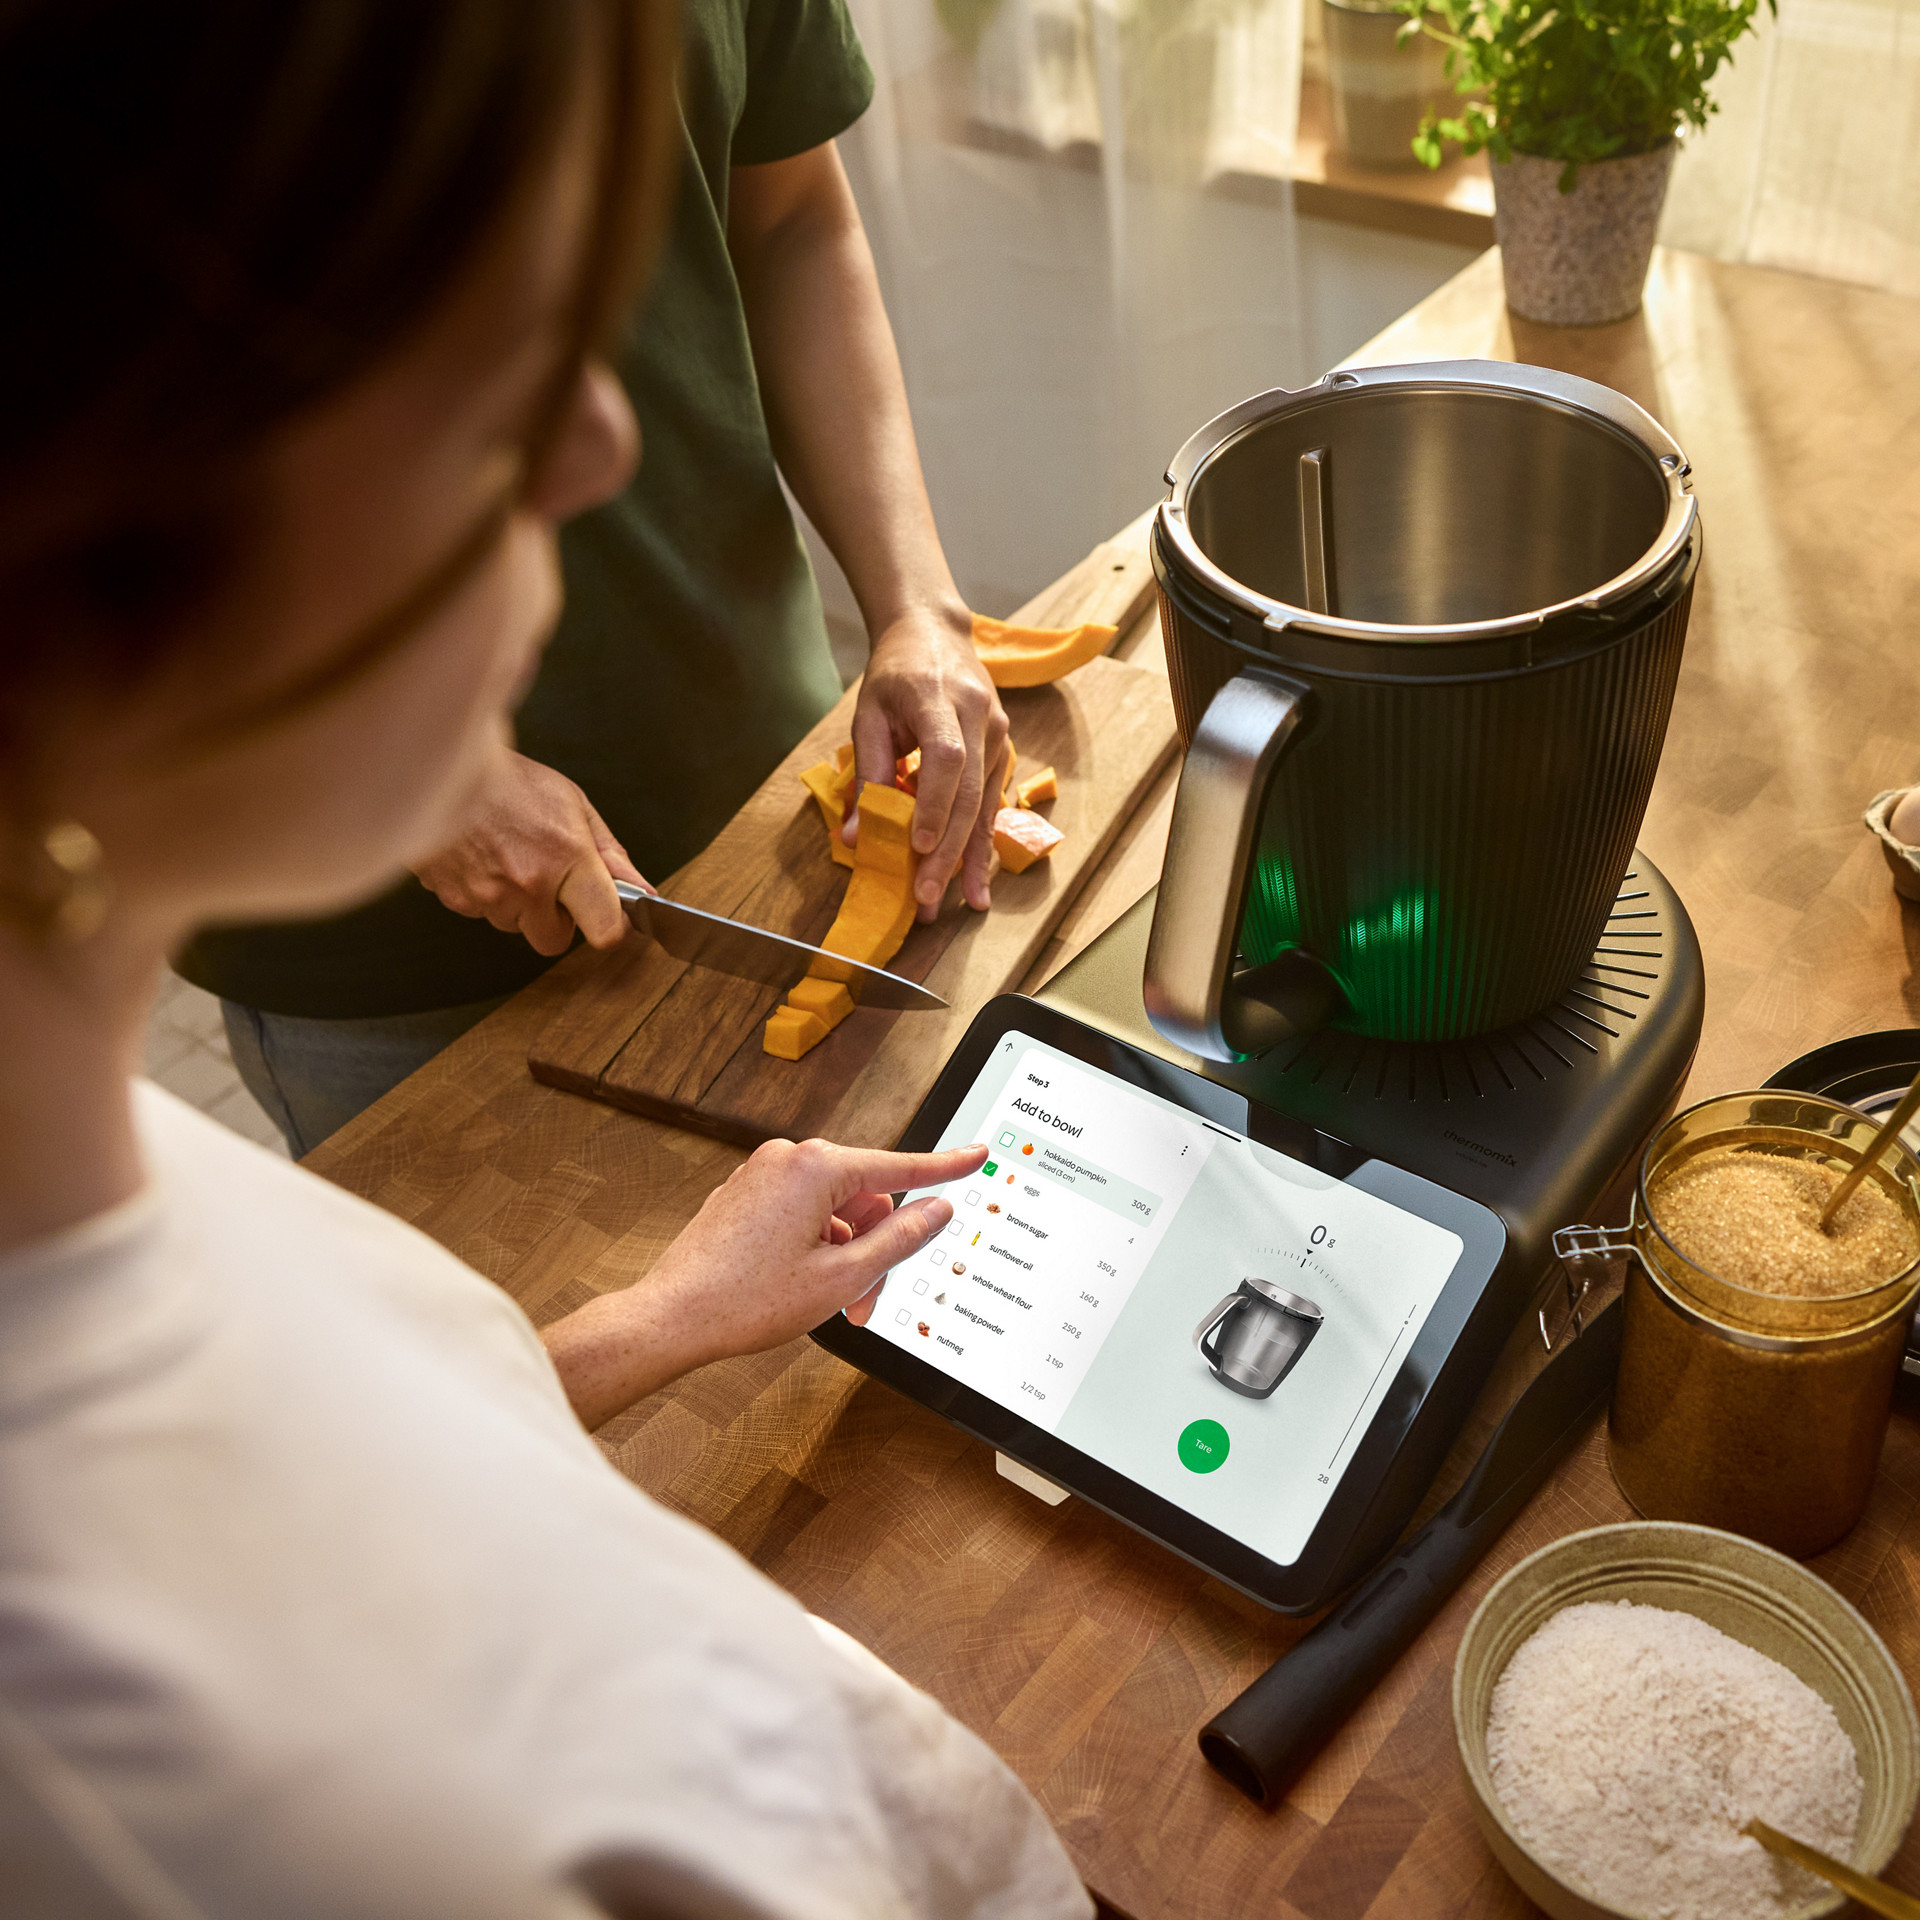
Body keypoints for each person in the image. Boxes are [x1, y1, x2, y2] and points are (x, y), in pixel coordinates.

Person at [0, 6, 1088, 1914]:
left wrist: (652, 1322)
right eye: (463, 333)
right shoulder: (288, 1811)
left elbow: (319, 1487)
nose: (605, 437)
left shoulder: (109, 1188)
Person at [174, 0, 1008, 1158]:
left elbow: (790, 218)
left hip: (764, 808)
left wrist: (917, 605)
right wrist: (414, 765)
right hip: (380, 949)